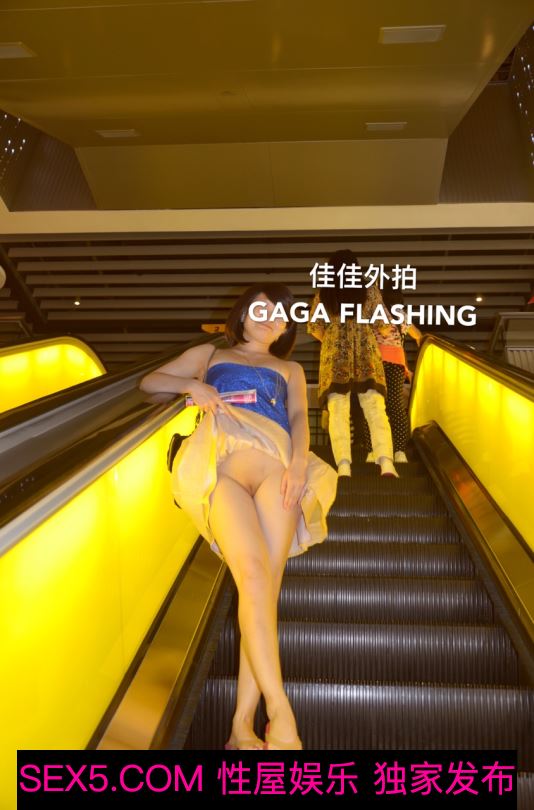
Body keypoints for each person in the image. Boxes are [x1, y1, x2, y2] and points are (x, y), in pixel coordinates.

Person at [140, 283, 337, 751]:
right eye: (262, 309)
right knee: (251, 577)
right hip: (222, 468)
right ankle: (281, 712)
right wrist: (193, 385)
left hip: (278, 471)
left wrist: (298, 466)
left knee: (264, 592)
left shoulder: (289, 368)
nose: (271, 318)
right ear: (242, 314)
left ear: (285, 328)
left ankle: (241, 727)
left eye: (280, 314)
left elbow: (299, 419)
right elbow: (150, 382)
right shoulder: (210, 354)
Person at [307, 249, 398, 478]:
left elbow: (314, 327)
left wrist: (332, 338)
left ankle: (343, 466)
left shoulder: (324, 292)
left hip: (335, 352)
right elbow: (384, 325)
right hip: (365, 350)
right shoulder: (369, 288)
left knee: (338, 410)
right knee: (375, 407)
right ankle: (386, 462)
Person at [366, 283, 423, 463]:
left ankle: (373, 450)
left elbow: (375, 332)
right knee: (395, 406)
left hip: (375, 362)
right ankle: (399, 451)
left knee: (373, 405)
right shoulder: (401, 315)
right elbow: (417, 334)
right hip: (397, 364)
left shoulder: (375, 312)